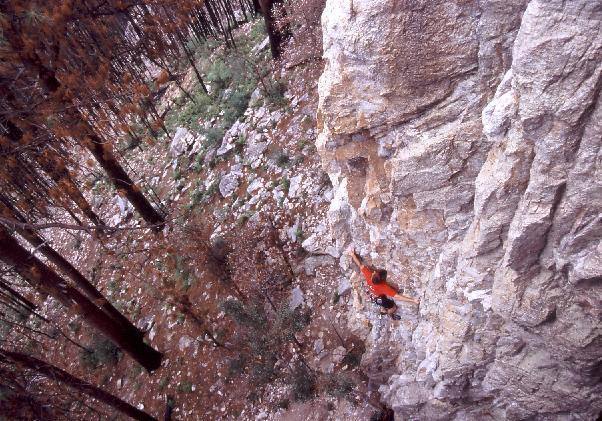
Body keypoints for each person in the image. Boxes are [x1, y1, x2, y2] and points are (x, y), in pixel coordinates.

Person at [348, 249, 419, 319]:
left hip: (374, 294)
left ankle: (383, 308)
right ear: (382, 280)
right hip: (379, 298)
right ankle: (390, 314)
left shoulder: (369, 275)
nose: (373, 272)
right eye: (374, 272)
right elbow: (398, 297)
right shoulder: (384, 287)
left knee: (386, 294)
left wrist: (353, 255)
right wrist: (413, 300)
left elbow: (360, 264)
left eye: (374, 273)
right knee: (393, 307)